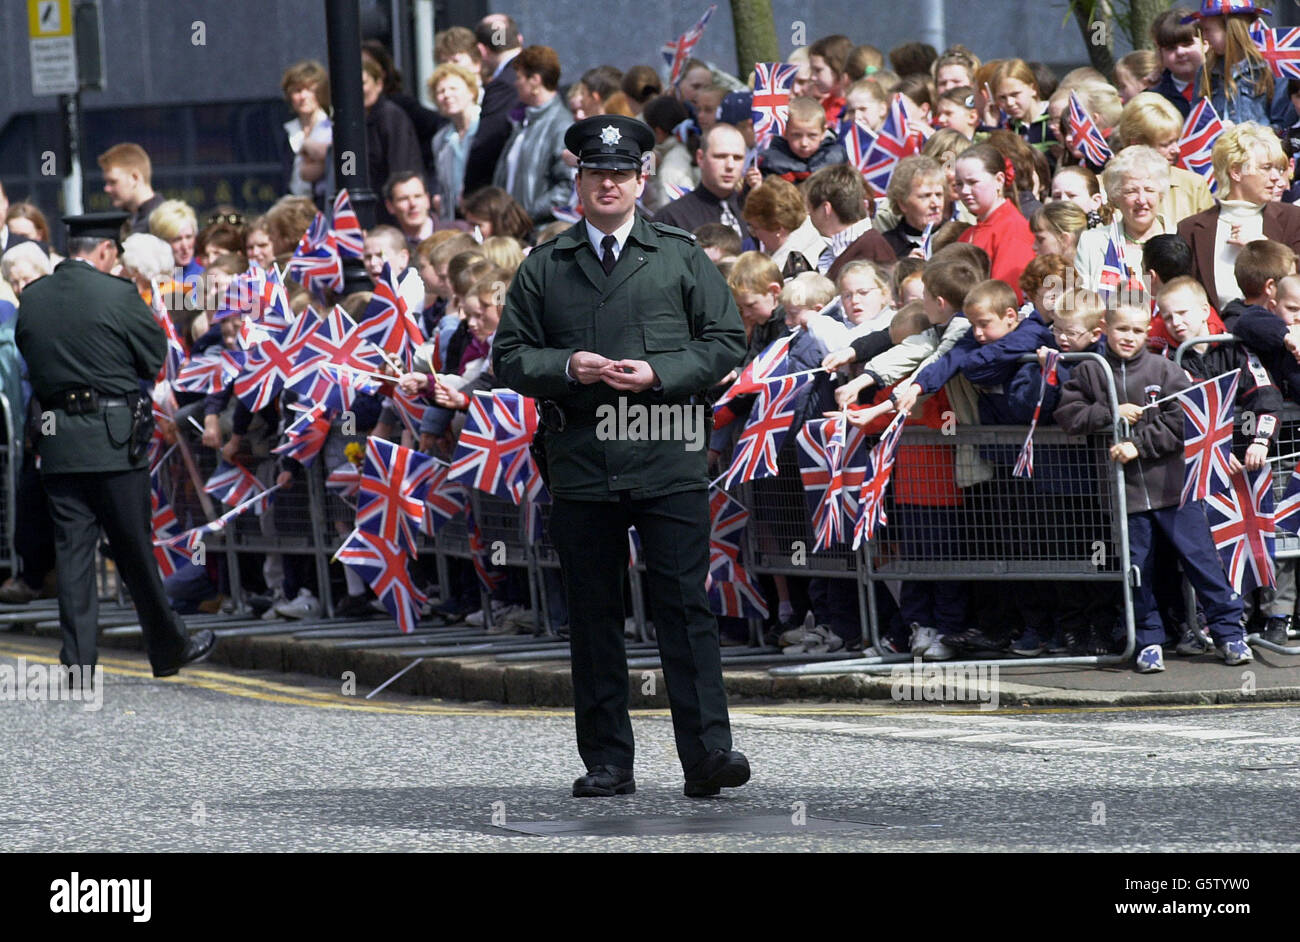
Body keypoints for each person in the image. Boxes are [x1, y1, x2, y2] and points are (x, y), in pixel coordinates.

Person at [491, 114, 749, 800]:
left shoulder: (679, 254)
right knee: (595, 614)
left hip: (667, 455)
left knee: (684, 609)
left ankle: (708, 754)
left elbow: (726, 341)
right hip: (583, 462)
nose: (607, 185)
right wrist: (567, 365)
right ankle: (608, 760)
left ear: (641, 181)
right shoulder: (548, 264)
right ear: (578, 182)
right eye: (595, 174)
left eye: (620, 174)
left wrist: (661, 374)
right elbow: (508, 356)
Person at [14, 212, 215, 677]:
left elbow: (33, 359)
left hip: (59, 443)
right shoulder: (119, 293)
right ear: (105, 251)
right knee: (133, 549)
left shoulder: (35, 298)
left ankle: (79, 663)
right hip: (114, 439)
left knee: (73, 554)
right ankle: (167, 647)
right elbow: (152, 357)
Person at [1054, 301, 1251, 673]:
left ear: (1148, 332)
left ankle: (1229, 633)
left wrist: (1138, 445)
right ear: (1104, 327)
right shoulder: (1089, 371)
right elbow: (1068, 416)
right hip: (1122, 495)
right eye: (1122, 329)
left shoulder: (1166, 369)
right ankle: (1148, 641)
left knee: (1202, 563)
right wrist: (1111, 413)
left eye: (1138, 331)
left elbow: (1186, 421)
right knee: (1137, 571)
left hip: (1175, 490)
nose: (1129, 337)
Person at [1178, 123, 1300, 309]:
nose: (1276, 177)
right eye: (1266, 168)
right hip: (1215, 335)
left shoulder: (1293, 219)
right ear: (1236, 171)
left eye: (1279, 169)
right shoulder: (1190, 229)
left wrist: (1264, 249)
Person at [492, 46, 575, 224]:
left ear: (535, 80)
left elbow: (567, 186)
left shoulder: (561, 125)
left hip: (539, 233)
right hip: (515, 231)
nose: (515, 83)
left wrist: (525, 215)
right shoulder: (525, 122)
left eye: (519, 77)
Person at [1075, 146, 1171, 294]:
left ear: (1161, 194)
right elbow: (1082, 303)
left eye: (1149, 190)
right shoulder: (1092, 242)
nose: (1141, 199)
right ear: (1116, 195)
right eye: (1131, 191)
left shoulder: (1182, 235)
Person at [1116, 93, 1214, 226]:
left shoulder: (1194, 186)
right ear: (1136, 143)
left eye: (1176, 141)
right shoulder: (1106, 187)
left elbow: (1206, 237)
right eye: (1165, 144)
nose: (1176, 150)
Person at [953, 143, 1036, 301]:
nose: (964, 191)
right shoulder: (969, 233)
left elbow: (1006, 296)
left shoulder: (1012, 228)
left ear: (999, 180)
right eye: (959, 184)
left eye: (972, 182)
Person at [654, 124, 749, 240]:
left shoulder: (755, 212)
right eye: (720, 156)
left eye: (738, 158)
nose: (730, 165)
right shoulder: (672, 218)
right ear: (700, 158)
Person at [363, 57, 425, 227]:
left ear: (378, 84)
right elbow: (350, 166)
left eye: (363, 83)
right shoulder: (353, 123)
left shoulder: (391, 116)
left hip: (392, 213)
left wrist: (397, 205)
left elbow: (400, 167)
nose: (358, 90)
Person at [741, 176, 826, 277]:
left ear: (777, 227)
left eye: (755, 228)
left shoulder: (790, 269)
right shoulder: (816, 236)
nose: (754, 235)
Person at [428, 63, 481, 222]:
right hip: (457, 219)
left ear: (471, 92)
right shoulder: (440, 140)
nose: (446, 95)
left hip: (484, 214)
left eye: (453, 88)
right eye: (441, 91)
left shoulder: (485, 126)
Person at [279, 60, 334, 209]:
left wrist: (310, 147)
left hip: (324, 205)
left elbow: (346, 160)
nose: (303, 96)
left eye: (309, 89)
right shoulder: (288, 130)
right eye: (297, 91)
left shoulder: (331, 127)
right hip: (292, 206)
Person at [754, 96, 845, 184]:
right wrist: (754, 185)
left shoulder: (836, 157)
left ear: (823, 132)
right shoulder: (769, 162)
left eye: (812, 136)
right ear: (785, 132)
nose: (804, 143)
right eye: (796, 135)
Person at [881, 156, 949, 258]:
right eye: (925, 196)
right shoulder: (886, 246)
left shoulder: (958, 236)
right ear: (902, 204)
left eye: (939, 195)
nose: (935, 203)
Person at [1150, 6, 1207, 118]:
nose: (1180, 52)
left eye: (1187, 44)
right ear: (1160, 53)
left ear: (1205, 44)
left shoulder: (1225, 85)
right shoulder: (1153, 99)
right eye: (1171, 48)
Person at [98, 143, 164, 235]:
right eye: (106, 182)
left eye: (113, 182)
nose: (107, 189)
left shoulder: (167, 224)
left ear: (135, 178)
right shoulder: (123, 223)